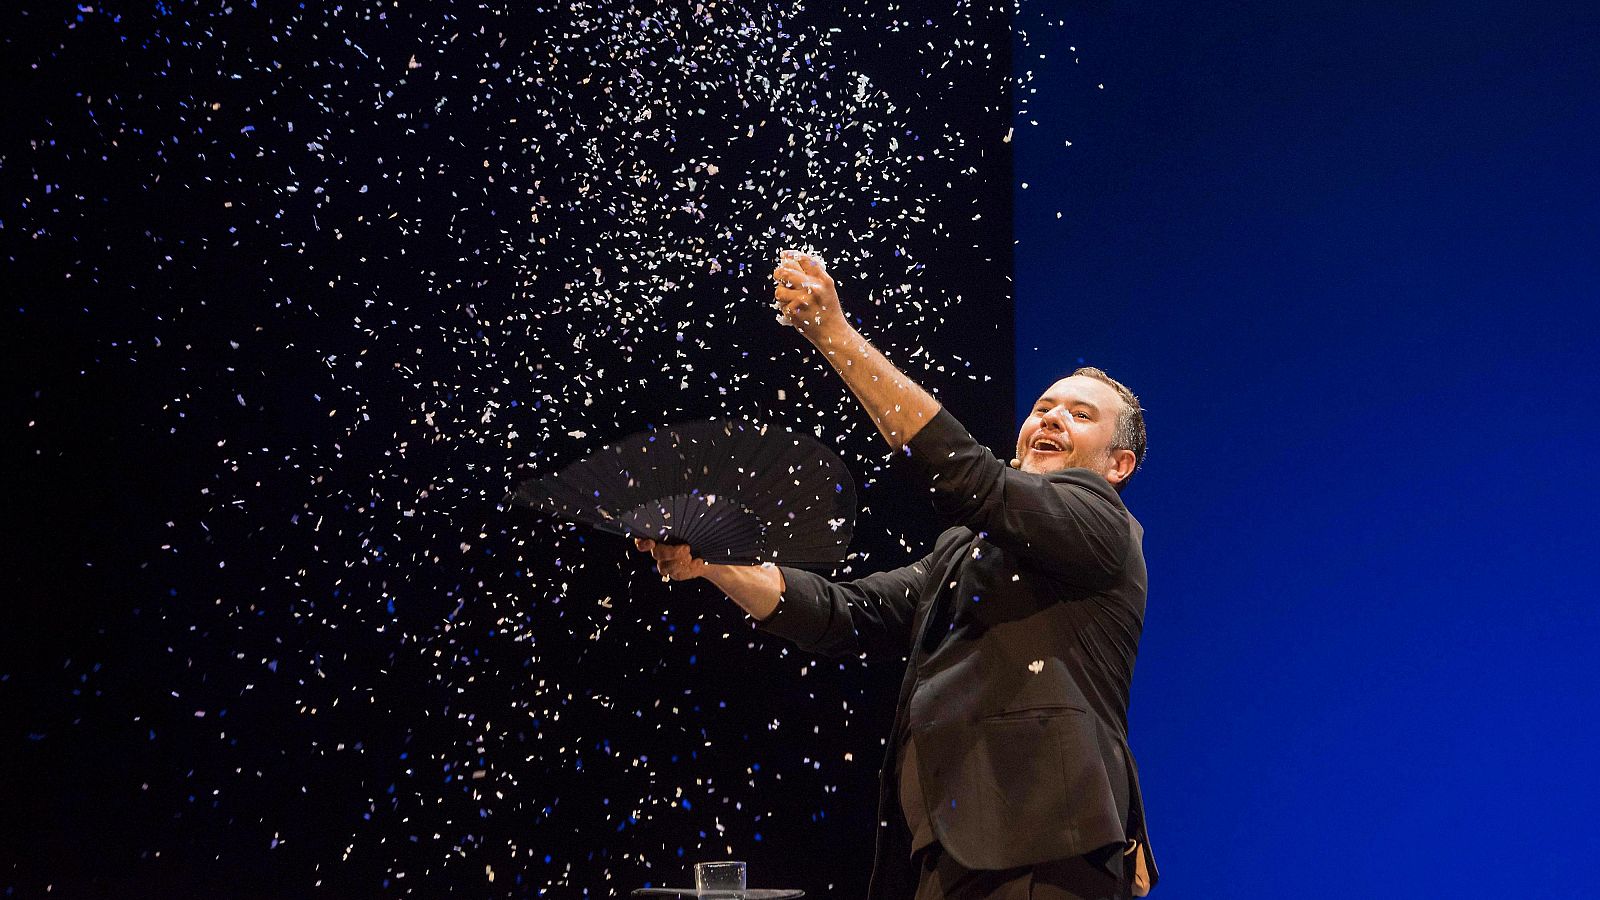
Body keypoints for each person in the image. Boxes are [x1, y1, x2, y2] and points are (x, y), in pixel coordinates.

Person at [633, 250, 1159, 899]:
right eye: (1044, 406)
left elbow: (968, 476)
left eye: (1081, 415)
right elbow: (845, 614)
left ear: (1118, 466)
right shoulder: (963, 550)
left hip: (1043, 842)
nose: (1050, 417)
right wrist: (713, 561)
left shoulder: (1101, 525)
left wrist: (835, 336)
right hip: (948, 848)